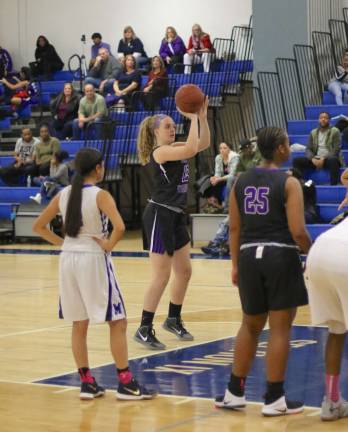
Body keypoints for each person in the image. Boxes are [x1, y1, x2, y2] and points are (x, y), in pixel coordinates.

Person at [33, 147, 157, 401]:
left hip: (68, 260)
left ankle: (87, 382)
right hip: (92, 258)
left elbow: (39, 227)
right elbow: (120, 227)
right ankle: (125, 383)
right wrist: (109, 246)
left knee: (79, 323)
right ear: (98, 168)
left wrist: (64, 244)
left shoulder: (63, 194)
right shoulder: (101, 195)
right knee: (118, 321)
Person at [215, 127, 312, 416]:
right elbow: (298, 231)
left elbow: (234, 227)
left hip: (247, 257)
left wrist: (234, 265)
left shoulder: (240, 180)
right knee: (280, 328)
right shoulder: (289, 182)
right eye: (286, 144)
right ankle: (273, 397)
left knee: (250, 325)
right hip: (279, 254)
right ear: (281, 149)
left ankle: (234, 391)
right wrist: (312, 251)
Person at [134, 98, 210, 350]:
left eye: (172, 125)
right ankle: (144, 328)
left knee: (184, 272)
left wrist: (203, 117)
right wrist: (192, 118)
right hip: (159, 215)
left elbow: (202, 144)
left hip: (176, 214)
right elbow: (190, 149)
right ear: (156, 132)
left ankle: (173, 318)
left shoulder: (176, 145)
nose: (172, 128)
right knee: (161, 275)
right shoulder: (161, 152)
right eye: (167, 126)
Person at [306, 167, 348, 421]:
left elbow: (345, 175)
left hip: (322, 248)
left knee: (337, 330)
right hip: (343, 254)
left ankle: (331, 402)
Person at [292, 112, 344, 186]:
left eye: (325, 118)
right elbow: (308, 149)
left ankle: (333, 185)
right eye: (321, 118)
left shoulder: (335, 131)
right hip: (315, 159)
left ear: (329, 120)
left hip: (328, 159)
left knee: (334, 160)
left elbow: (336, 149)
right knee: (297, 161)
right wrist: (312, 158)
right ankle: (298, 185)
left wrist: (324, 158)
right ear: (318, 120)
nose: (323, 119)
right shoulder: (313, 132)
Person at [203, 142, 239, 212]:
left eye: (225, 148)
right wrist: (215, 178)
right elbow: (217, 173)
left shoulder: (235, 157)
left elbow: (233, 174)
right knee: (210, 179)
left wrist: (219, 179)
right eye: (220, 148)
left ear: (230, 149)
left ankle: (226, 207)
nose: (222, 150)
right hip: (223, 179)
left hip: (235, 178)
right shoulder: (218, 157)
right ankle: (213, 202)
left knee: (230, 180)